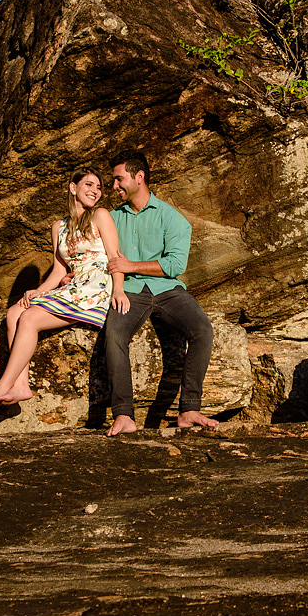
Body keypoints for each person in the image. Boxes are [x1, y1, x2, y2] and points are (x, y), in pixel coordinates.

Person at [0, 167, 128, 409]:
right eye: (88, 185)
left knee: (30, 318)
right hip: (74, 285)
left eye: (98, 187)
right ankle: (21, 385)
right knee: (14, 313)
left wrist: (119, 290)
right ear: (73, 188)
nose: (95, 191)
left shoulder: (100, 215)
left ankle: (1, 387)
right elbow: (59, 270)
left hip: (96, 286)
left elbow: (115, 257)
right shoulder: (58, 227)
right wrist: (39, 290)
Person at [103, 150, 220, 436]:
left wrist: (132, 264)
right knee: (114, 334)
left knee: (203, 330)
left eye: (119, 179)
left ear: (138, 177)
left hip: (168, 291)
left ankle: (189, 409)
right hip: (129, 290)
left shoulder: (172, 218)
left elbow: (176, 264)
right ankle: (123, 415)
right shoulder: (112, 218)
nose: (114, 186)